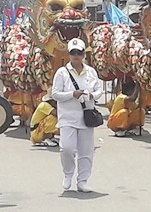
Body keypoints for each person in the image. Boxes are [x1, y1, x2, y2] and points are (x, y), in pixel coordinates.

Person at [51, 38, 103, 192]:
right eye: (73, 53)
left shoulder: (91, 72)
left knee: (86, 151)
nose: (76, 56)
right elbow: (55, 94)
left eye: (79, 53)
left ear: (83, 55)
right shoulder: (62, 73)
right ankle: (68, 174)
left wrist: (93, 96)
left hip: (86, 117)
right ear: (69, 55)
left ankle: (83, 181)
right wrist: (72, 94)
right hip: (68, 117)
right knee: (67, 148)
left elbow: (98, 89)